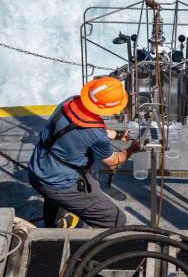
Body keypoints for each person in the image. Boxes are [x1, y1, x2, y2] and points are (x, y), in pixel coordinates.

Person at [28, 76, 139, 228]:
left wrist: (118, 135)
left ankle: (53, 228)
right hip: (59, 183)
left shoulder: (70, 102)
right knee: (115, 220)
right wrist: (132, 149)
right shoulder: (96, 134)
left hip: (38, 169)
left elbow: (80, 129)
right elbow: (113, 163)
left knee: (53, 200)